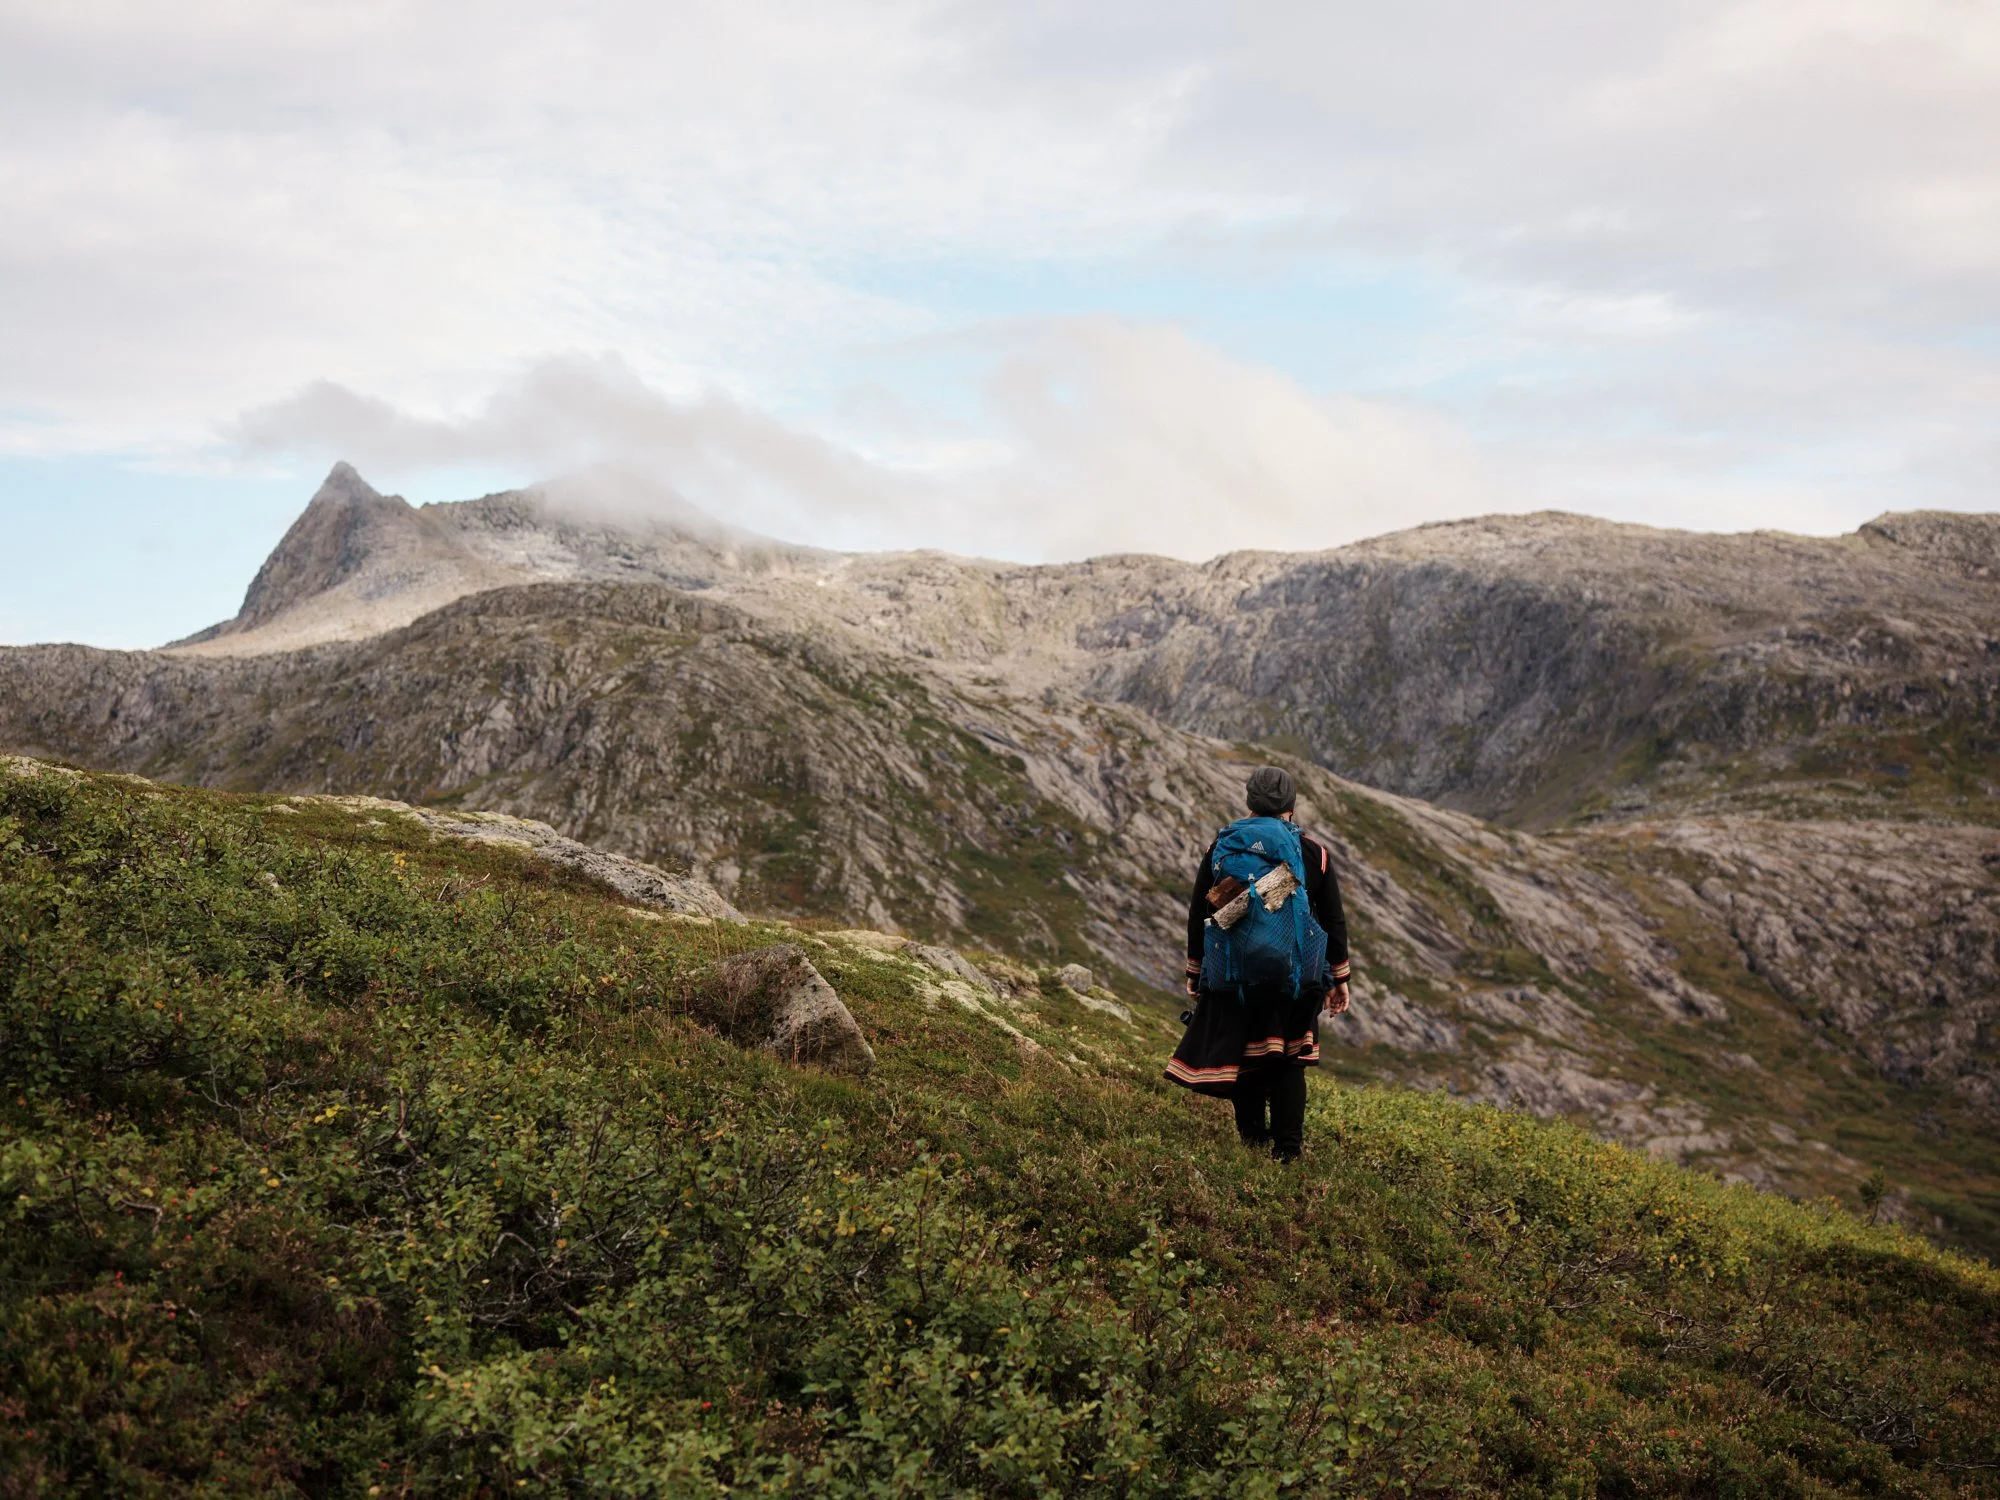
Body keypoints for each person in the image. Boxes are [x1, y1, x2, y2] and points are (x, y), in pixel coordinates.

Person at [1164, 766, 1351, 1160]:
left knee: (1244, 1056)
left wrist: (1196, 972)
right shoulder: (1312, 854)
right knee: (1288, 1062)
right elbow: (1332, 919)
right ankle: (1287, 1153)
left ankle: (1252, 1144)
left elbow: (1202, 911)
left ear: (1249, 801)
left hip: (1233, 974)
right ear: (1291, 805)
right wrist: (1339, 977)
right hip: (1292, 977)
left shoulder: (1223, 846)